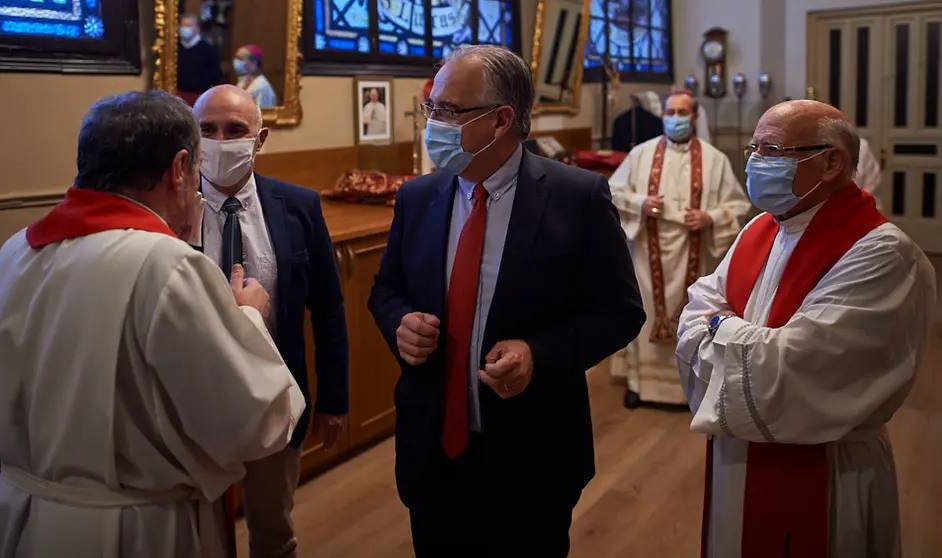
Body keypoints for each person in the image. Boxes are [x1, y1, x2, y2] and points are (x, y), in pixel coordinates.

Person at [0, 91, 306, 557]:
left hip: (20, 513)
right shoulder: (165, 264)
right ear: (180, 169)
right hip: (132, 529)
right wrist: (249, 317)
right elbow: (252, 421)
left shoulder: (17, 249)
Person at [368, 45, 645, 557]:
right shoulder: (417, 197)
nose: (434, 123)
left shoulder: (576, 197)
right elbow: (386, 290)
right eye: (431, 108)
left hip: (531, 453)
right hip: (432, 448)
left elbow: (621, 311)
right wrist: (399, 321)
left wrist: (539, 353)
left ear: (501, 120)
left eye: (449, 110)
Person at [676, 101, 936, 558]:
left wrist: (718, 329)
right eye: (754, 147)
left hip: (830, 467)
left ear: (832, 161)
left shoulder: (881, 253)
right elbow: (697, 304)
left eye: (772, 149)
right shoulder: (763, 227)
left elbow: (795, 366)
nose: (756, 160)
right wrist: (729, 331)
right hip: (737, 456)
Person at [193, 85, 349, 558]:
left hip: (274, 398)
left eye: (235, 130)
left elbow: (327, 306)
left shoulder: (298, 205)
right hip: (194, 404)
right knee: (203, 539)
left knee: (273, 531)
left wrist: (334, 398)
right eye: (207, 130)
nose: (221, 141)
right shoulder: (170, 210)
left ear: (259, 139)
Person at [608, 90, 751, 408]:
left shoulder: (715, 159)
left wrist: (709, 216)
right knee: (644, 315)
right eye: (670, 112)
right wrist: (641, 202)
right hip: (648, 252)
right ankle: (641, 386)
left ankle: (687, 389)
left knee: (691, 318)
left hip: (694, 251)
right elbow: (613, 192)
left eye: (682, 113)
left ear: (695, 116)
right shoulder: (641, 154)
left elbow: (739, 204)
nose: (675, 118)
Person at [177, 14, 223, 106]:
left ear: (197, 29)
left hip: (199, 97)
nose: (184, 28)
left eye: (188, 26)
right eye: (182, 25)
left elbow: (216, 76)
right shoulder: (176, 48)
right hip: (178, 96)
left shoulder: (208, 49)